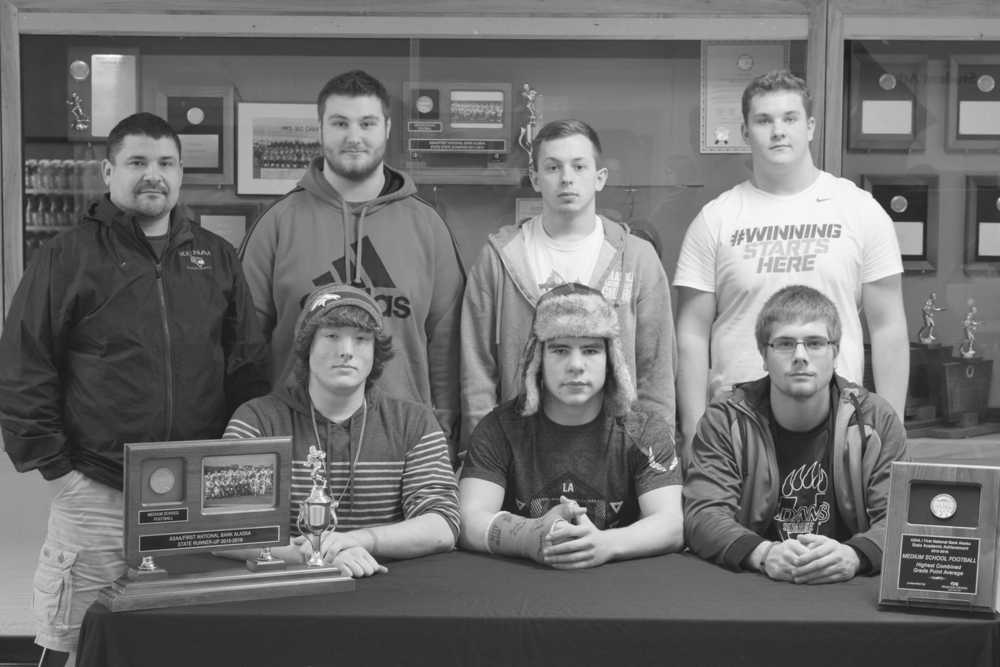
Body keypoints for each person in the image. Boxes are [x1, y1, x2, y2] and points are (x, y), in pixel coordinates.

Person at [0, 112, 269, 667]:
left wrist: (234, 468)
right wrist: (57, 469)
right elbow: (24, 364)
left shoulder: (215, 257)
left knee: (184, 642)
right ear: (108, 172)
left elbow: (247, 367)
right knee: (71, 642)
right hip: (98, 487)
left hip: (194, 495)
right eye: (138, 162)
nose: (154, 175)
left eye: (166, 163)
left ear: (180, 174)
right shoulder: (66, 256)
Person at [674, 70, 907, 464]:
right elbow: (692, 334)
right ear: (745, 133)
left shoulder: (859, 210)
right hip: (736, 427)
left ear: (811, 126)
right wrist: (694, 428)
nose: (778, 131)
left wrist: (891, 431)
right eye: (764, 121)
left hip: (838, 428)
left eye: (790, 118)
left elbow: (888, 329)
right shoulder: (716, 219)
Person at [241, 69, 465, 457]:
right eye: (340, 123)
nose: (354, 136)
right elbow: (245, 347)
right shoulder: (277, 224)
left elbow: (447, 349)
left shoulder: (428, 227)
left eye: (367, 123)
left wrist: (442, 439)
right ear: (321, 128)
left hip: (402, 448)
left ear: (387, 128)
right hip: (293, 446)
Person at [461, 119, 675, 452]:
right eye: (552, 167)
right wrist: (481, 454)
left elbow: (656, 370)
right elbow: (477, 369)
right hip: (521, 449)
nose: (566, 178)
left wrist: (658, 457)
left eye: (579, 166)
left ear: (599, 178)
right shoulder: (499, 258)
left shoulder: (636, 258)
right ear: (534, 178)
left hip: (616, 453)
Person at [223, 284, 459, 577]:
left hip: (387, 592)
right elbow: (224, 530)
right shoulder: (258, 421)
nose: (346, 351)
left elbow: (442, 524)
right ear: (307, 345)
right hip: (285, 595)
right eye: (332, 336)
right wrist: (312, 554)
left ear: (376, 352)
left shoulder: (414, 423)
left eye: (361, 339)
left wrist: (359, 540)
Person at [683, 285, 907, 584]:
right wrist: (763, 553)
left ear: (835, 352)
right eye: (785, 344)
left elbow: (899, 517)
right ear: (764, 354)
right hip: (756, 585)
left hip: (846, 588)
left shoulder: (876, 419)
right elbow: (703, 514)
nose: (800, 356)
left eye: (815, 343)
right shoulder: (725, 418)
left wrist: (854, 555)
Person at [459, 283, 683, 568]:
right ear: (537, 358)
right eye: (560, 349)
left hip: (621, 594)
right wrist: (531, 535)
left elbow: (671, 524)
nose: (576, 365)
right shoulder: (500, 428)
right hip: (522, 591)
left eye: (590, 350)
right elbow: (468, 518)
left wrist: (606, 544)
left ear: (611, 359)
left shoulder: (645, 429)